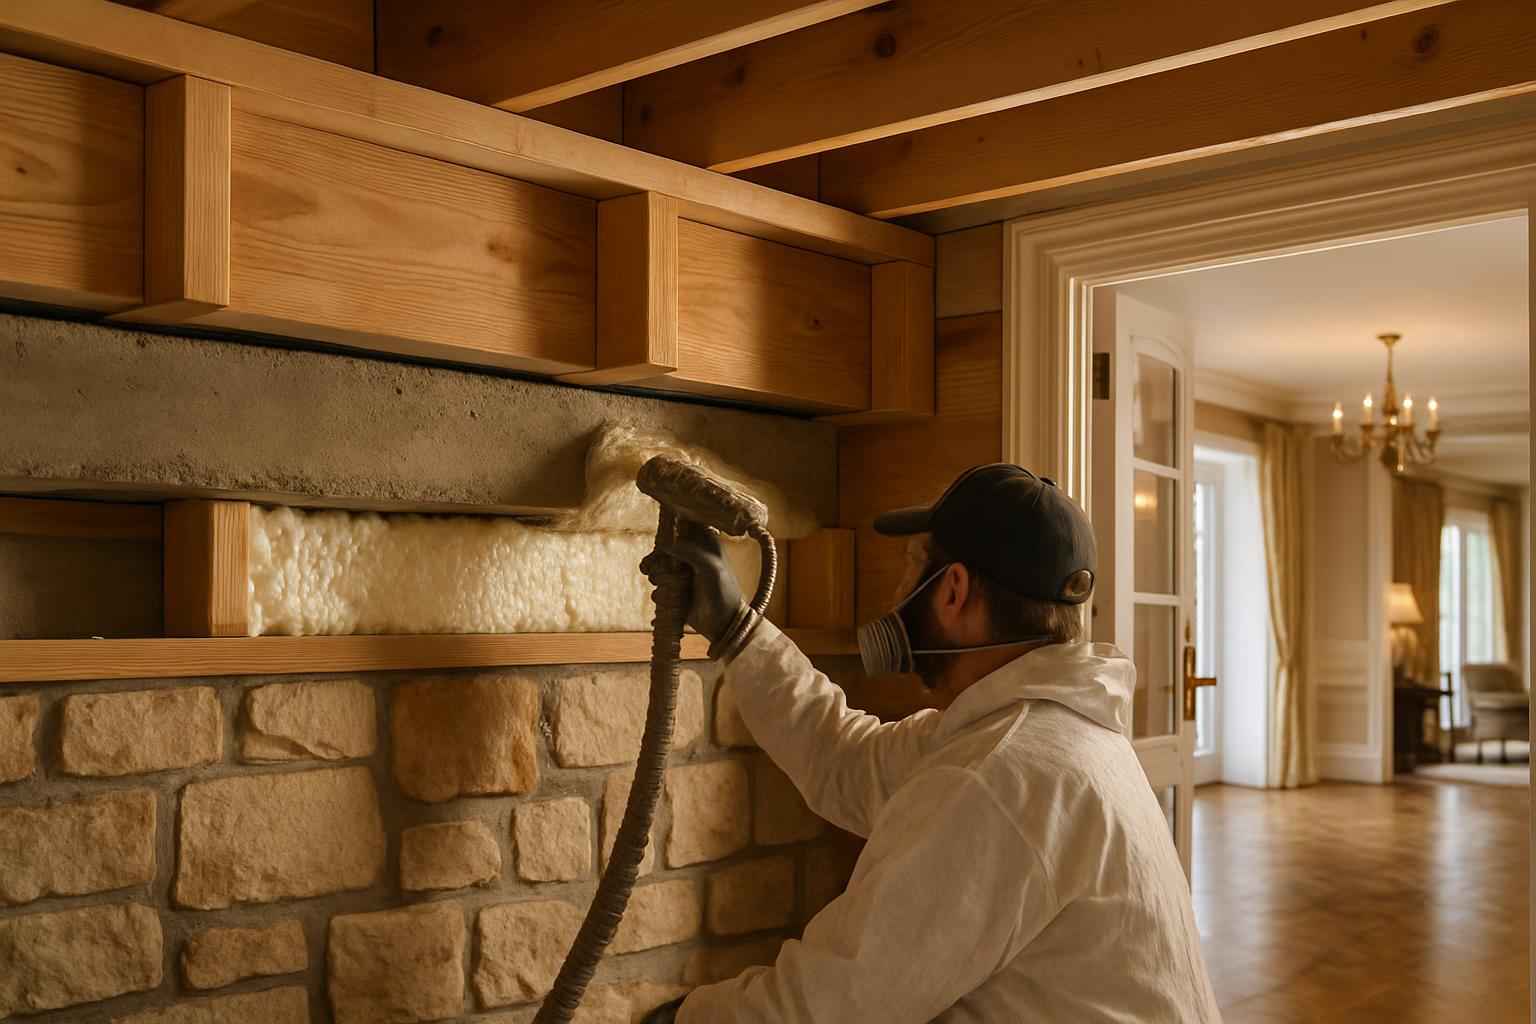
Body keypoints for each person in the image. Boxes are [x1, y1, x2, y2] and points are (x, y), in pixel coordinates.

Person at [641, 463, 1220, 1022]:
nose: (897, 595)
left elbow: (832, 1005)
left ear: (953, 590)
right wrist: (738, 629)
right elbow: (845, 757)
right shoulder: (1042, 734)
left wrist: (680, 1020)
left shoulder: (1002, 777)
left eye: (911, 569)